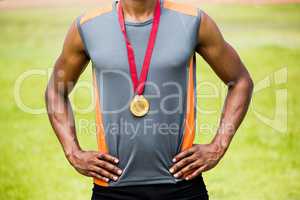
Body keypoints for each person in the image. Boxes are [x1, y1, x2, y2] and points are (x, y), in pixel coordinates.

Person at [45, 0, 253, 199]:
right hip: (112, 187)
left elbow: (240, 81)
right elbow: (55, 91)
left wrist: (218, 146)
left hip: (181, 185)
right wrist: (73, 152)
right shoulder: (88, 26)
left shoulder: (192, 21)